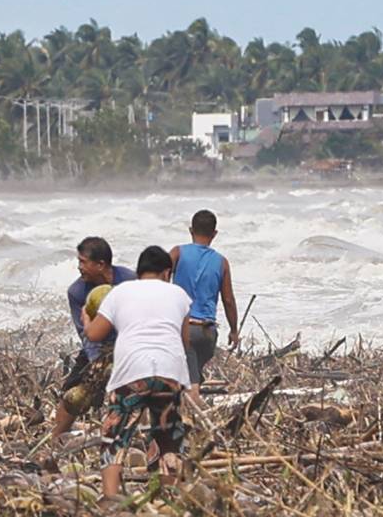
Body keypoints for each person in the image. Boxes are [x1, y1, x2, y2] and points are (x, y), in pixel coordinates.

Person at [84, 245, 192, 499]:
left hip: (132, 370)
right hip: (170, 370)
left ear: (138, 271)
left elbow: (95, 335)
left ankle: (110, 497)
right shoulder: (178, 294)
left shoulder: (120, 292)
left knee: (115, 435)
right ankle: (169, 497)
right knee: (169, 437)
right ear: (167, 272)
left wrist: (86, 318)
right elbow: (184, 342)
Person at [49, 237, 137, 439]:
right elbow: (86, 335)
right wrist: (98, 364)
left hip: (131, 343)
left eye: (83, 262)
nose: (79, 267)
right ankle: (55, 439)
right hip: (99, 346)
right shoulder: (77, 292)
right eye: (78, 261)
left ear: (100, 265)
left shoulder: (130, 281)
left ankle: (136, 436)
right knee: (73, 394)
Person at [168, 209, 240, 400]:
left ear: (191, 230)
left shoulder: (177, 252)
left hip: (184, 330)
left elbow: (159, 279)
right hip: (208, 334)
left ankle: (194, 411)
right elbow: (228, 300)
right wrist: (234, 330)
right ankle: (188, 405)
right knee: (192, 374)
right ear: (214, 233)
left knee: (189, 383)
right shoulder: (222, 262)